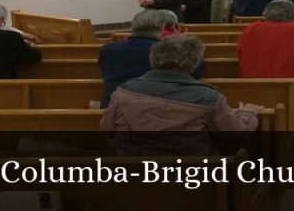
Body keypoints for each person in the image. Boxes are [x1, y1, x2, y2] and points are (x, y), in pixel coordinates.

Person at [100, 36, 261, 155]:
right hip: (191, 179)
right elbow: (236, 133)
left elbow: (107, 129)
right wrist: (248, 113)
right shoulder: (208, 97)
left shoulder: (123, 91)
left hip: (132, 176)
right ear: (193, 63)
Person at [98, 9, 164, 107]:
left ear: (133, 26)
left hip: (114, 106)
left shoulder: (108, 50)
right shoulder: (165, 51)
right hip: (154, 108)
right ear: (162, 27)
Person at [237, 0, 294, 78]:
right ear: (291, 14)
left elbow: (239, 50)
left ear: (266, 12)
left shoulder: (250, 28)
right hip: (284, 83)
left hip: (248, 83)